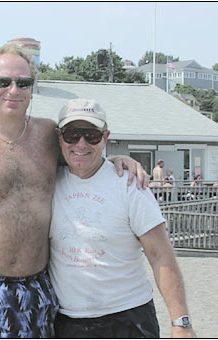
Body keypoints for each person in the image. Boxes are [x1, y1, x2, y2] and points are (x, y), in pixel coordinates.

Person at [0, 44, 147, 338]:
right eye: (3, 81)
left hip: (34, 290)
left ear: (32, 89)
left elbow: (82, 152)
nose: (13, 90)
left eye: (23, 83)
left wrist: (118, 159)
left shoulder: (49, 136)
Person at [50, 99, 196, 338]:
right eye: (72, 134)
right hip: (66, 321)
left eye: (92, 135)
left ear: (105, 137)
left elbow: (160, 255)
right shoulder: (47, 181)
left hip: (127, 318)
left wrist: (181, 324)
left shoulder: (130, 184)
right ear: (59, 137)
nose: (81, 143)